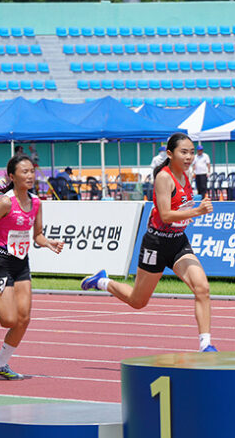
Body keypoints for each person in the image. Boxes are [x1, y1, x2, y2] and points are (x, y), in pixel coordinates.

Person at [80, 132, 219, 353]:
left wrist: (190, 212)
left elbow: (179, 209)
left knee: (202, 288)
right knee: (137, 301)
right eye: (184, 152)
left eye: (192, 152)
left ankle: (205, 345)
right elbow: (165, 215)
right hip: (156, 244)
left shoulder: (187, 175)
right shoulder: (164, 177)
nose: (189, 157)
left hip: (178, 244)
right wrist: (197, 211)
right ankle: (102, 282)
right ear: (170, 153)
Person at [0, 154, 65, 380]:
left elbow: (37, 235)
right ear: (12, 176)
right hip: (1, 261)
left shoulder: (36, 202)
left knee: (24, 319)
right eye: (24, 172)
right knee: (8, 320)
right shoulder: (5, 202)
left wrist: (49, 243)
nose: (30, 175)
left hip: (21, 262)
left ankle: (0, 364)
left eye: (32, 171)